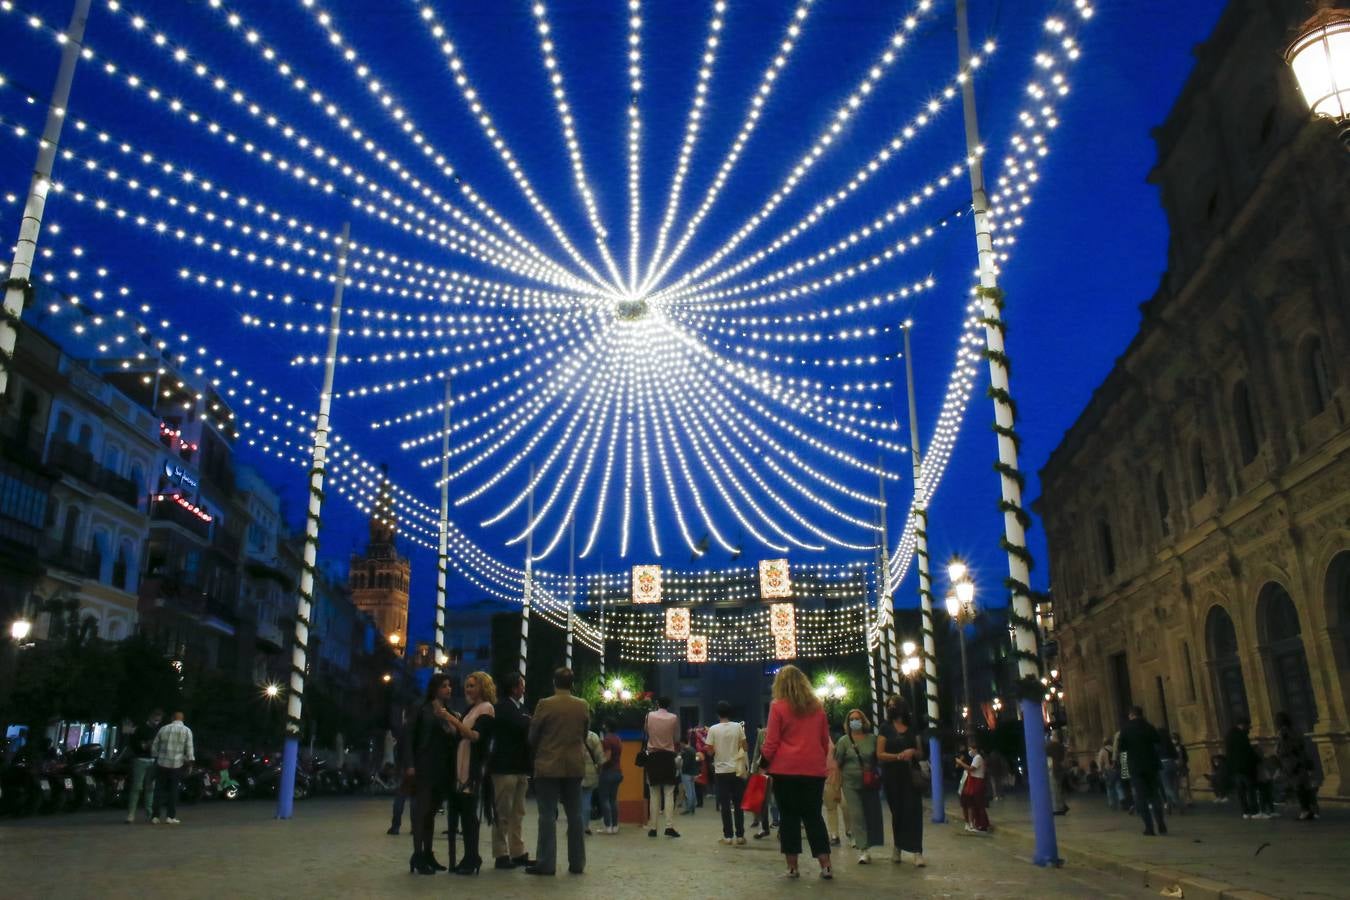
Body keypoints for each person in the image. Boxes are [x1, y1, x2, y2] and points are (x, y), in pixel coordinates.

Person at [760, 664, 833, 880]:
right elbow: (823, 740)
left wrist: (763, 763)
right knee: (813, 816)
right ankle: (826, 864)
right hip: (813, 770)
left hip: (785, 770)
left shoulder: (778, 706)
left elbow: (771, 741)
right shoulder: (818, 707)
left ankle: (792, 867)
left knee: (789, 817)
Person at [527, 667, 590, 876]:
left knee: (547, 815)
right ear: (572, 683)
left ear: (554, 682)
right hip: (574, 766)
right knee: (576, 815)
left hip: (548, 764)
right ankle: (577, 862)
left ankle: (546, 863)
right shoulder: (582, 705)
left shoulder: (545, 704)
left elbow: (533, 735)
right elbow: (585, 733)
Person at [404, 674, 456, 874]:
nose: (448, 689)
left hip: (441, 767)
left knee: (432, 813)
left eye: (450, 685)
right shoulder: (422, 708)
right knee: (421, 812)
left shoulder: (448, 711)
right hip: (424, 764)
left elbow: (452, 735)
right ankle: (418, 855)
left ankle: (427, 853)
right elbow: (409, 736)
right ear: (435, 688)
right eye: (444, 686)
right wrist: (410, 763)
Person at [445, 671, 496, 875]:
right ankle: (469, 856)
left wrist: (452, 719)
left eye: (472, 685)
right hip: (461, 766)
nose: (468, 689)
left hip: (472, 768)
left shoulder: (486, 709)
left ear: (483, 687)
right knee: (464, 813)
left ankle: (472, 856)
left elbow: (476, 736)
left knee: (468, 815)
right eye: (467, 685)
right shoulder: (471, 709)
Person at [489, 671, 534, 869]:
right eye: (521, 685)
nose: (523, 688)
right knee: (503, 812)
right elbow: (522, 725)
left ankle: (517, 850)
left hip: (521, 766)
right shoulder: (502, 708)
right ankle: (500, 853)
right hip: (504, 766)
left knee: (518, 812)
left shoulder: (522, 708)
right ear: (514, 687)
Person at [877, 697, 925, 866]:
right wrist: (897, 756)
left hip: (911, 775)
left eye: (894, 705)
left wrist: (912, 751)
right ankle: (898, 846)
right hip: (892, 776)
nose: (891, 708)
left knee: (914, 811)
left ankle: (917, 850)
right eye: (888, 706)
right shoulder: (885, 728)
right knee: (898, 812)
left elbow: (920, 753)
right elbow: (880, 753)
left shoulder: (912, 728)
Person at [835, 708, 884, 865]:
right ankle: (863, 850)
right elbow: (837, 764)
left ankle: (871, 842)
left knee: (871, 814)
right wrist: (836, 787)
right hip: (850, 783)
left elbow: (879, 758)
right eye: (852, 720)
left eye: (858, 719)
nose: (855, 722)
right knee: (857, 815)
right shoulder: (843, 741)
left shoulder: (872, 739)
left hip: (869, 782)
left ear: (863, 721)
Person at [1117, 706, 1167, 836]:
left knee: (1141, 798)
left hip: (1136, 767)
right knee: (1155, 795)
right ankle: (1161, 823)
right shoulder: (1149, 726)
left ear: (1131, 715)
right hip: (1151, 765)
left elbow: (1122, 748)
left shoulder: (1126, 729)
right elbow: (1157, 740)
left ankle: (1149, 827)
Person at [705, 701, 747, 845]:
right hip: (736, 770)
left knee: (725, 805)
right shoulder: (738, 727)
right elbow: (745, 747)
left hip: (721, 771)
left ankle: (728, 836)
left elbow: (709, 751)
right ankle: (740, 835)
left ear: (718, 714)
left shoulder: (713, 729)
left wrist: (717, 748)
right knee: (738, 803)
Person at [643, 696, 681, 838]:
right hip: (668, 757)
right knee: (669, 792)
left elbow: (646, 731)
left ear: (657, 704)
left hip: (653, 756)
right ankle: (669, 826)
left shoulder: (649, 716)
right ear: (669, 705)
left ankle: (653, 827)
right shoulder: (673, 718)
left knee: (654, 793)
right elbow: (676, 737)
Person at [150, 711, 193, 825]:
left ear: (172, 718)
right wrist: (190, 763)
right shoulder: (186, 731)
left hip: (162, 763)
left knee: (158, 790)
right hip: (176, 764)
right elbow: (189, 749)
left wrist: (156, 756)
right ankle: (170, 816)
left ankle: (155, 816)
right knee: (173, 791)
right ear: (182, 719)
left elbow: (155, 745)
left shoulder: (163, 729)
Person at [1274, 712, 1318, 820]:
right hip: (1300, 761)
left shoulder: (1283, 733)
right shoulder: (1295, 730)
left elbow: (1283, 749)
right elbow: (1301, 745)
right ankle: (1312, 810)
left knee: (1299, 788)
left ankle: (1305, 811)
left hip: (1291, 763)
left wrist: (1277, 752)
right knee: (1305, 787)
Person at [125, 708, 162, 824]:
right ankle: (131, 814)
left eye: (159, 720)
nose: (157, 722)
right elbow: (134, 744)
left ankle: (149, 813)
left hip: (152, 760)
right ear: (150, 717)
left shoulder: (158, 731)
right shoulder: (139, 728)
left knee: (150, 787)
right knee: (137, 787)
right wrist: (145, 745)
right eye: (155, 719)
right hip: (140, 760)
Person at [1224, 718, 1260, 819]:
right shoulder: (1241, 736)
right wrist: (1257, 759)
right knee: (1250, 789)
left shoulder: (1229, 736)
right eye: (1248, 725)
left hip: (1235, 768)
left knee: (1241, 791)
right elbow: (1247, 751)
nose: (1249, 728)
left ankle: (1245, 811)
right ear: (1243, 725)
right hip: (1244, 767)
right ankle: (1254, 811)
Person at [955, 741, 991, 833]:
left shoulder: (978, 758)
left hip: (977, 781)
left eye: (970, 749)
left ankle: (983, 824)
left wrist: (961, 763)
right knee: (975, 804)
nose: (969, 751)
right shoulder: (975, 758)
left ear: (975, 749)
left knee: (978, 804)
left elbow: (971, 769)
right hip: (974, 781)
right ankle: (978, 823)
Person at [597, 720, 624, 834]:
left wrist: (598, 764)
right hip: (618, 772)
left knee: (604, 799)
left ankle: (608, 826)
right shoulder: (618, 739)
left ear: (607, 727)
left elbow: (607, 757)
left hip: (608, 772)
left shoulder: (607, 739)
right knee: (613, 799)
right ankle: (615, 825)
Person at [388, 706, 411, 835]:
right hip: (416, 767)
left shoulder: (402, 731)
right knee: (415, 800)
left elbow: (398, 750)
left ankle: (395, 826)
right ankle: (415, 826)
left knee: (400, 798)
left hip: (403, 766)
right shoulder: (418, 730)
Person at [582, 722, 604, 835]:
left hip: (573, 772)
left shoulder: (570, 735)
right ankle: (585, 826)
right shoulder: (593, 737)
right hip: (590, 773)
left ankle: (574, 825)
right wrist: (599, 771)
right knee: (586, 800)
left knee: (573, 801)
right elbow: (600, 757)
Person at [823, 739, 844, 847]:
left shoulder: (839, 739)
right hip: (827, 776)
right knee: (831, 807)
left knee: (846, 806)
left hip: (842, 774)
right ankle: (834, 835)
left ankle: (850, 832)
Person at [1047, 730, 1069, 815]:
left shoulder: (1050, 746)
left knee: (1054, 789)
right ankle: (1062, 806)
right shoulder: (1061, 746)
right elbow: (1064, 758)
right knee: (1059, 788)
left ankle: (1057, 808)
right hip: (1060, 768)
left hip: (1053, 769)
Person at [678, 739, 700, 816]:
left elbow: (686, 763)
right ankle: (693, 807)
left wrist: (682, 770)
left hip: (686, 773)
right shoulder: (693, 750)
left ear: (683, 743)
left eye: (680, 743)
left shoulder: (686, 751)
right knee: (692, 790)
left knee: (688, 791)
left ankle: (689, 808)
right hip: (693, 773)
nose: (680, 745)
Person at [1097, 739, 1117, 809]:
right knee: (1118, 786)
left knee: (1109, 787)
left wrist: (1100, 771)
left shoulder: (1102, 751)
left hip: (1108, 770)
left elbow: (1100, 762)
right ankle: (1121, 799)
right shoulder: (1115, 749)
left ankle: (1111, 802)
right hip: (1117, 769)